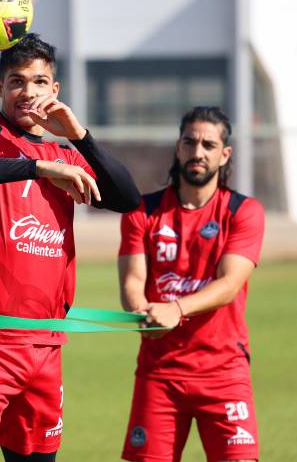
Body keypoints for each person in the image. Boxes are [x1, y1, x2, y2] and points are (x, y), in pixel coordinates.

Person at [0, 33, 140, 462]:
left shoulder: (64, 153)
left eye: (39, 82)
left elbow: (126, 198)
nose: (28, 92)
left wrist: (79, 137)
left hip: (45, 346)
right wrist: (36, 167)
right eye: (16, 81)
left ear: (55, 90)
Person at [118, 106, 264, 462]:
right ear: (178, 147)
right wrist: (141, 313)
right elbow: (133, 281)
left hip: (224, 371)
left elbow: (229, 284)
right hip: (160, 372)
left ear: (224, 154)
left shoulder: (243, 212)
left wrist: (176, 308)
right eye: (190, 142)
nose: (198, 152)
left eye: (208, 145)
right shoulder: (143, 211)